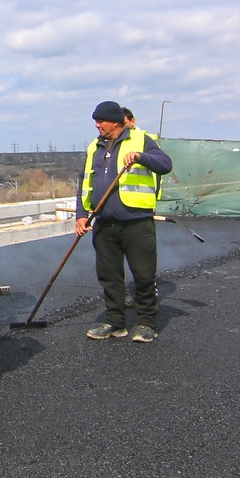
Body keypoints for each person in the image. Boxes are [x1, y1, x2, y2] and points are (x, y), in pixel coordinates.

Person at [76, 100, 172, 343]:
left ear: (116, 122)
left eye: (101, 121)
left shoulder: (141, 140)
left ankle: (146, 323)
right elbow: (84, 182)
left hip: (136, 222)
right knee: (109, 275)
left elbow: (165, 165)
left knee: (143, 275)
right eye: (95, 121)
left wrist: (141, 157)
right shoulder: (93, 147)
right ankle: (114, 322)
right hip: (104, 223)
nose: (97, 125)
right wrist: (81, 215)